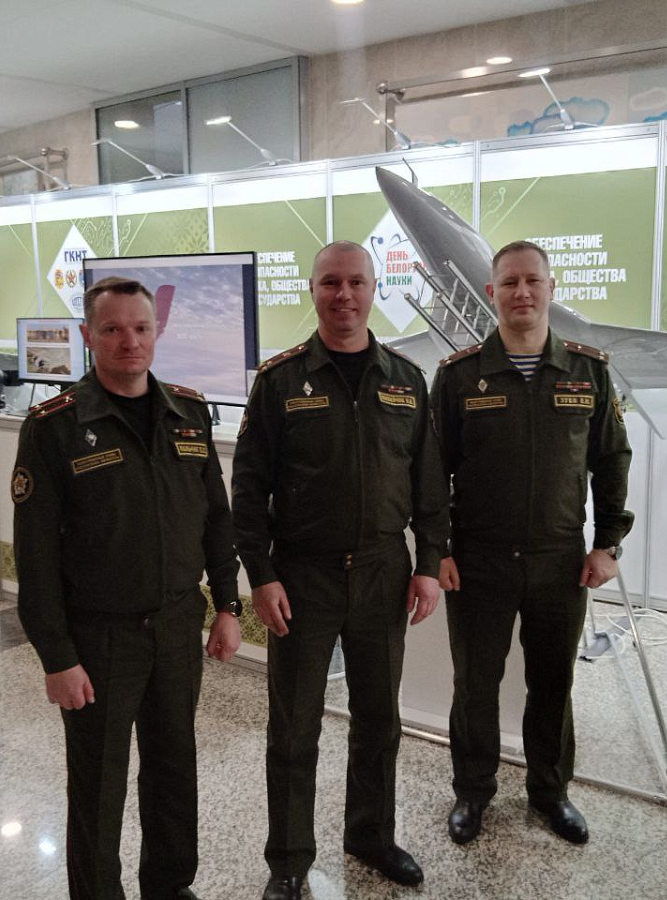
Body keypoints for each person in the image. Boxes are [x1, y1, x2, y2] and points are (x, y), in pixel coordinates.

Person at [12, 276, 242, 900]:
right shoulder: (55, 426)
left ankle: (169, 885)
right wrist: (56, 657)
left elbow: (215, 518)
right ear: (88, 336)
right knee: (99, 784)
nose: (129, 341)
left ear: (157, 330)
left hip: (176, 627)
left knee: (174, 769)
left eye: (140, 328)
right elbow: (35, 557)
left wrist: (227, 604)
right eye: (112, 329)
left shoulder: (188, 412)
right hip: (98, 637)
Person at [232, 241, 449, 900]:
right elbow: (249, 487)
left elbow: (428, 482)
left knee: (379, 720)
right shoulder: (279, 381)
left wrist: (429, 563)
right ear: (313, 290)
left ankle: (371, 836)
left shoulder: (405, 379)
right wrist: (260, 574)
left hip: (385, 572)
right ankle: (289, 860)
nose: (344, 295)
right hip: (303, 577)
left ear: (374, 288)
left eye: (356, 282)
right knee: (294, 726)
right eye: (331, 282)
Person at [429, 240, 634, 846]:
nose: (522, 292)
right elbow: (432, 470)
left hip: (558, 560)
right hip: (478, 562)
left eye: (532, 281)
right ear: (491, 292)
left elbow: (612, 460)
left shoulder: (588, 372)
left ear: (550, 288)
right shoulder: (459, 375)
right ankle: (472, 792)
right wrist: (438, 549)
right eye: (510, 282)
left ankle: (551, 792)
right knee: (475, 685)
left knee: (552, 683)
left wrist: (608, 544)